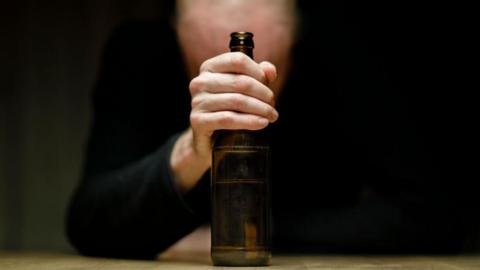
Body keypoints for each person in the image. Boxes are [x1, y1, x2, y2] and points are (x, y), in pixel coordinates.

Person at [66, 0, 476, 259]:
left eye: (261, 51)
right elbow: (89, 222)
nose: (238, 75)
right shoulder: (140, 49)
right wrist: (192, 153)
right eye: (207, 47)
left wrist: (245, 232)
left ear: (295, 34)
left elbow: (435, 215)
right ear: (177, 30)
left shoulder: (342, 54)